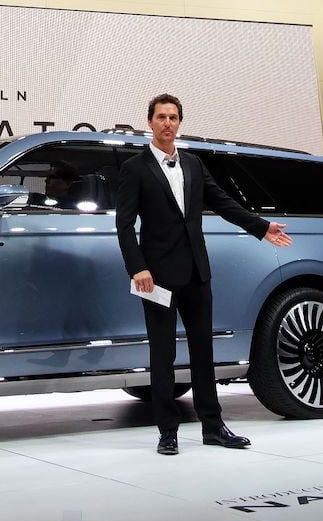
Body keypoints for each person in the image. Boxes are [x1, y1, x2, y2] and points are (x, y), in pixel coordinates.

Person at [115, 93, 292, 455]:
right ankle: (167, 431)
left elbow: (223, 202)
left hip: (197, 272)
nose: (168, 123)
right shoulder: (134, 168)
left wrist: (261, 227)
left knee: (202, 352)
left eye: (173, 117)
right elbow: (124, 225)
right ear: (149, 122)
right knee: (162, 355)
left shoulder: (194, 164)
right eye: (161, 117)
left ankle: (213, 426)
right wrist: (138, 268)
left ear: (180, 123)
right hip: (156, 276)